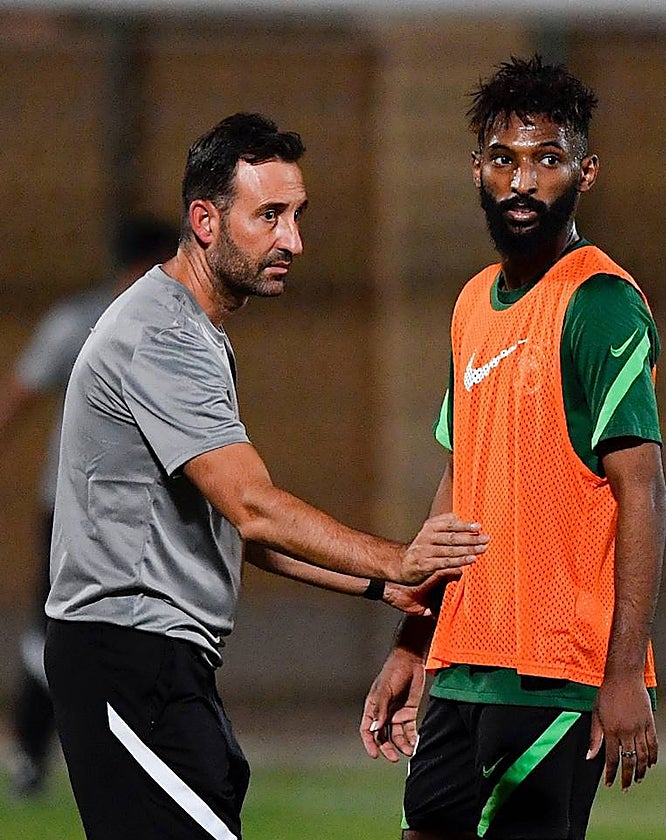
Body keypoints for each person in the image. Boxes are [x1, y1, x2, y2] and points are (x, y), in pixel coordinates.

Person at [42, 112, 490, 840]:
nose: (293, 241)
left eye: (297, 216)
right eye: (270, 216)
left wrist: (382, 588)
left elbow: (235, 529)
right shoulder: (163, 337)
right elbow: (253, 507)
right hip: (126, 659)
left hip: (161, 665)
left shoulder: (191, 330)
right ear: (205, 221)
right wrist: (398, 559)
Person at [359, 56, 666, 840]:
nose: (522, 182)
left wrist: (623, 674)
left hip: (554, 674)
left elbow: (642, 491)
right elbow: (458, 482)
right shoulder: (471, 302)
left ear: (585, 173)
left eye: (547, 159)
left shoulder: (600, 303)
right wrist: (413, 644)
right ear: (478, 169)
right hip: (463, 662)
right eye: (504, 160)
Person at [1, 216, 177, 798]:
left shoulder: (172, 325)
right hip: (74, 507)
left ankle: (124, 750)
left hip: (141, 511)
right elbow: (19, 394)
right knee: (59, 630)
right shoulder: (83, 323)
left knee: (128, 630)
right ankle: (34, 748)